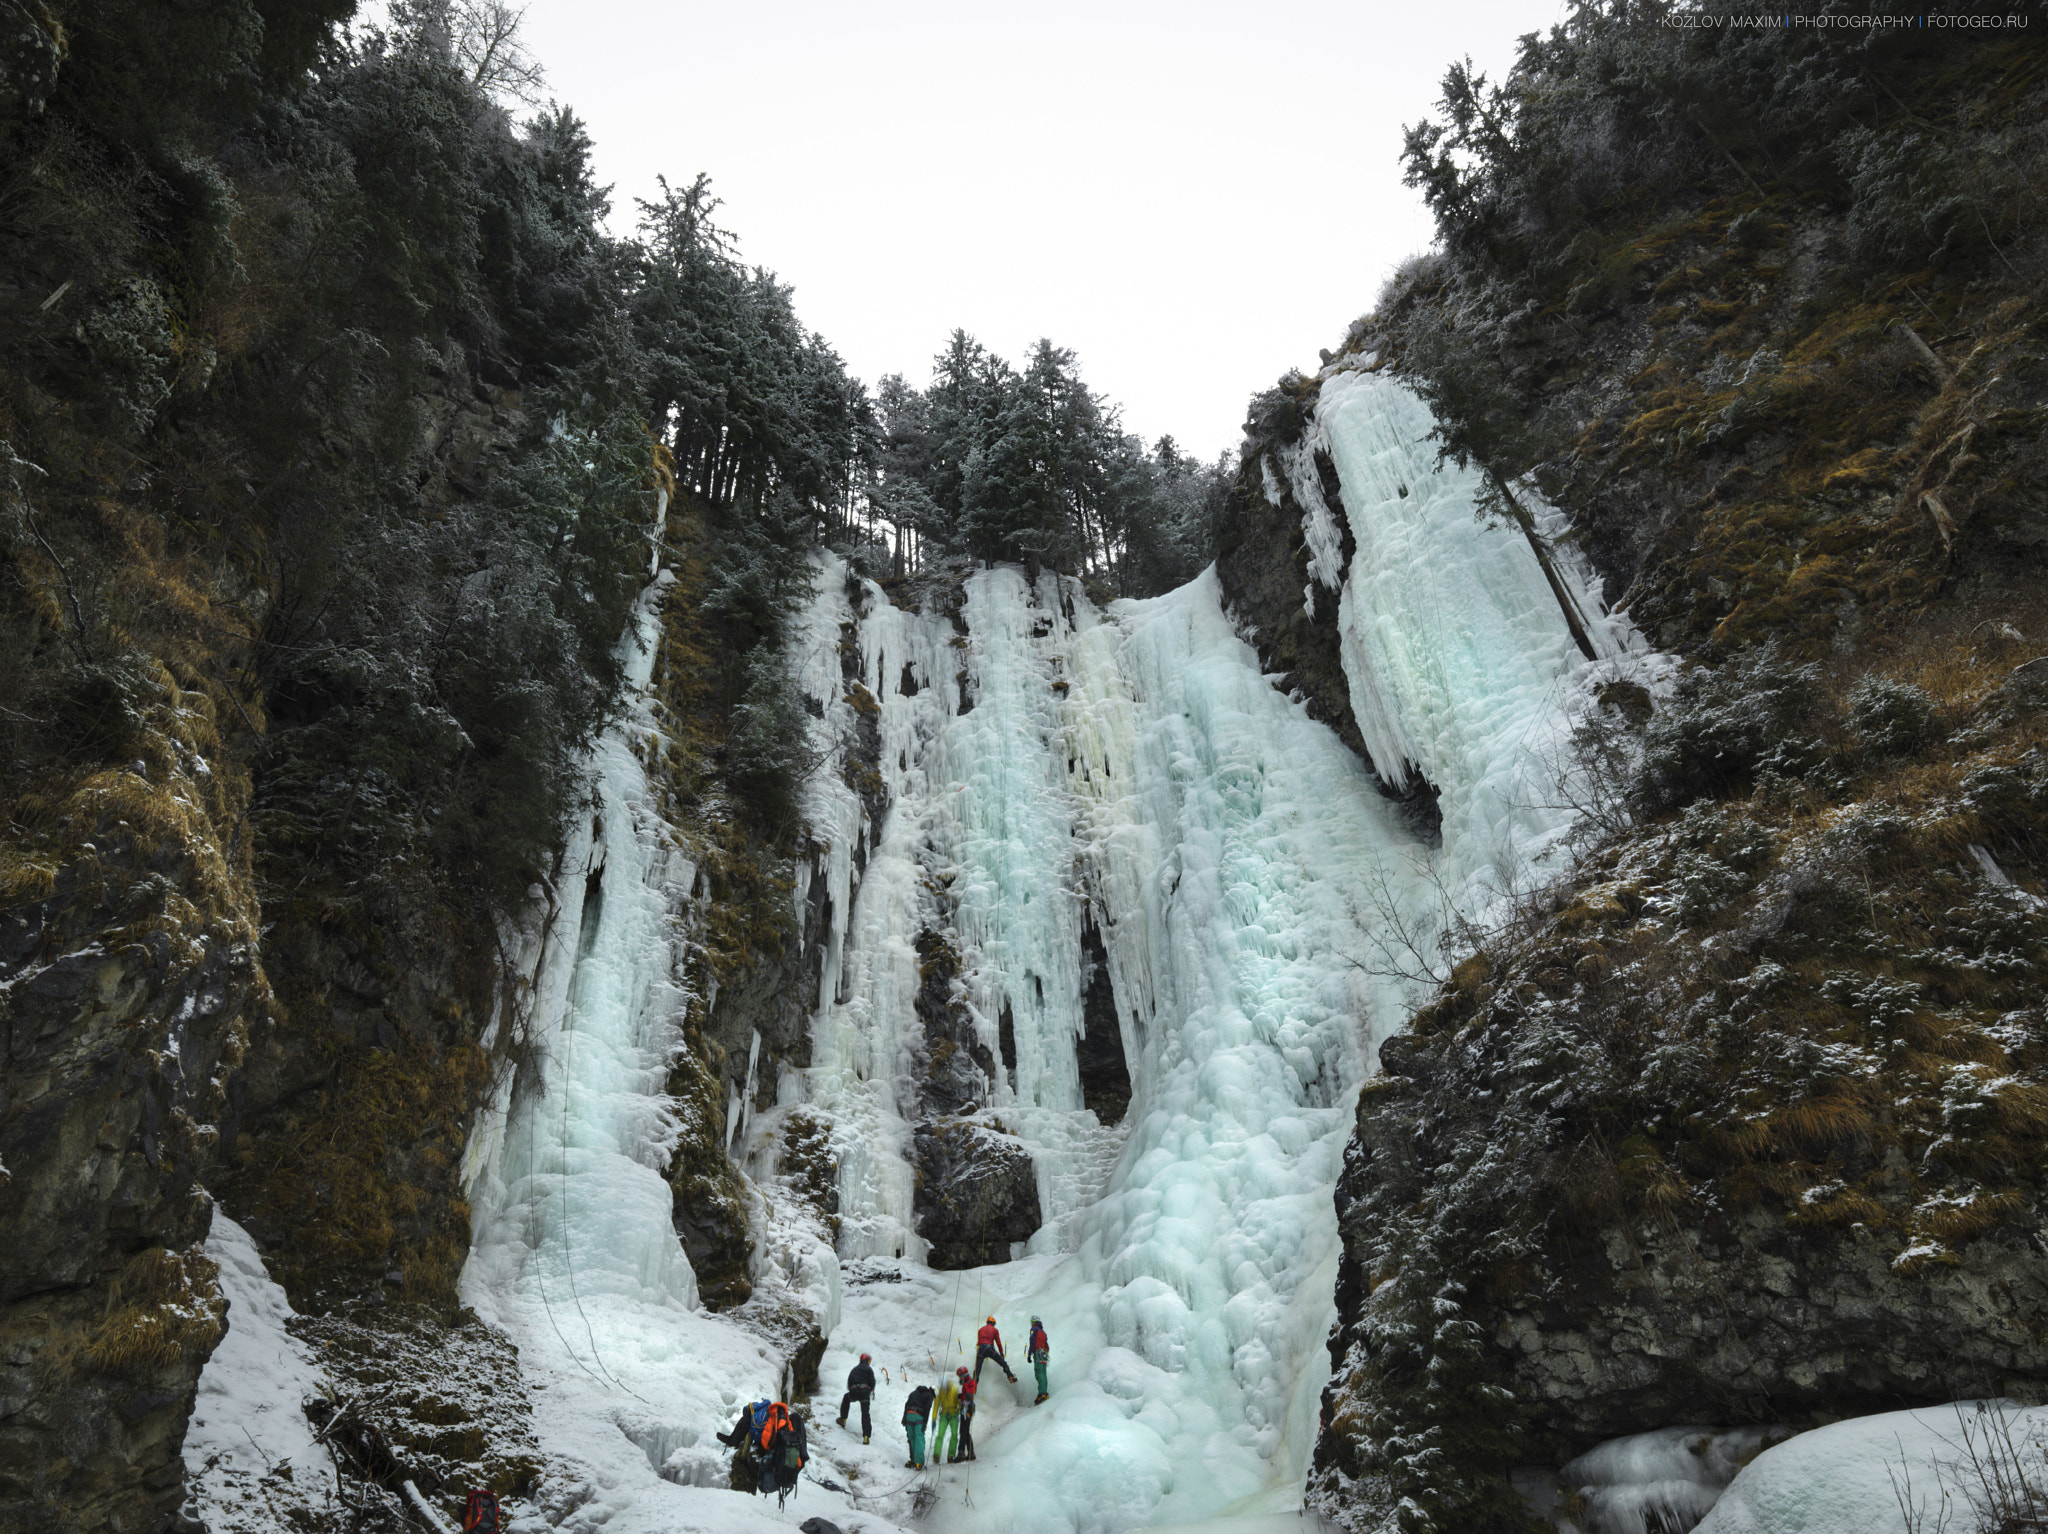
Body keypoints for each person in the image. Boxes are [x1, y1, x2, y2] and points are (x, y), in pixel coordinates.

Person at [837, 1352, 875, 1442]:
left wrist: (853, 1391)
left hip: (854, 1392)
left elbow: (849, 1382)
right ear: (867, 1360)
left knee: (846, 1398)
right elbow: (872, 1382)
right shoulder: (869, 1370)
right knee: (865, 1414)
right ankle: (866, 1437)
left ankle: (843, 1419)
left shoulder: (854, 1369)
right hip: (864, 1393)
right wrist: (868, 1391)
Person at [902, 1381, 935, 1469]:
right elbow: (927, 1409)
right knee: (919, 1439)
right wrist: (925, 1423)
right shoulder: (929, 1395)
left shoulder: (914, 1393)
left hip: (909, 1415)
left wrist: (904, 1418)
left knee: (912, 1438)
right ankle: (919, 1462)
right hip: (918, 1416)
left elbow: (906, 1404)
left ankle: (913, 1460)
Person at [931, 1372, 962, 1465]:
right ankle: (936, 1454)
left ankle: (951, 1456)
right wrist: (933, 1419)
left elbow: (959, 1402)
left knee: (954, 1435)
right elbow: (936, 1405)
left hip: (954, 1415)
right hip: (944, 1415)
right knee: (940, 1435)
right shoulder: (940, 1391)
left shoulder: (955, 1389)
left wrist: (960, 1412)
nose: (943, 1388)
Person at [974, 1316, 1016, 1383]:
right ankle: (1010, 1376)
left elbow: (979, 1342)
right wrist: (1001, 1353)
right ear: (993, 1323)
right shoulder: (995, 1330)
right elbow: (998, 1343)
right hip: (989, 1348)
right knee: (1003, 1363)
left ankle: (974, 1382)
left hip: (981, 1349)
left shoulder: (980, 1330)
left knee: (977, 1368)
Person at [953, 1366, 977, 1462]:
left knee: (963, 1430)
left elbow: (970, 1395)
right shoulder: (967, 1383)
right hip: (965, 1408)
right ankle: (971, 1453)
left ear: (963, 1375)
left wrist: (965, 1385)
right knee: (965, 1431)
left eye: (960, 1377)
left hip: (968, 1408)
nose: (959, 1379)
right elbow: (966, 1395)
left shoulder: (971, 1382)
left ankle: (961, 1453)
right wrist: (961, 1396)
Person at [1027, 1316, 1050, 1404]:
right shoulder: (1043, 1332)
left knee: (1038, 1372)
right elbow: (1047, 1345)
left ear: (1033, 1322)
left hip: (1038, 1352)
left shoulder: (1034, 1329)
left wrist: (1029, 1353)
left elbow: (1032, 1340)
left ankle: (1042, 1394)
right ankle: (1044, 1392)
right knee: (1043, 1372)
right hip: (1044, 1352)